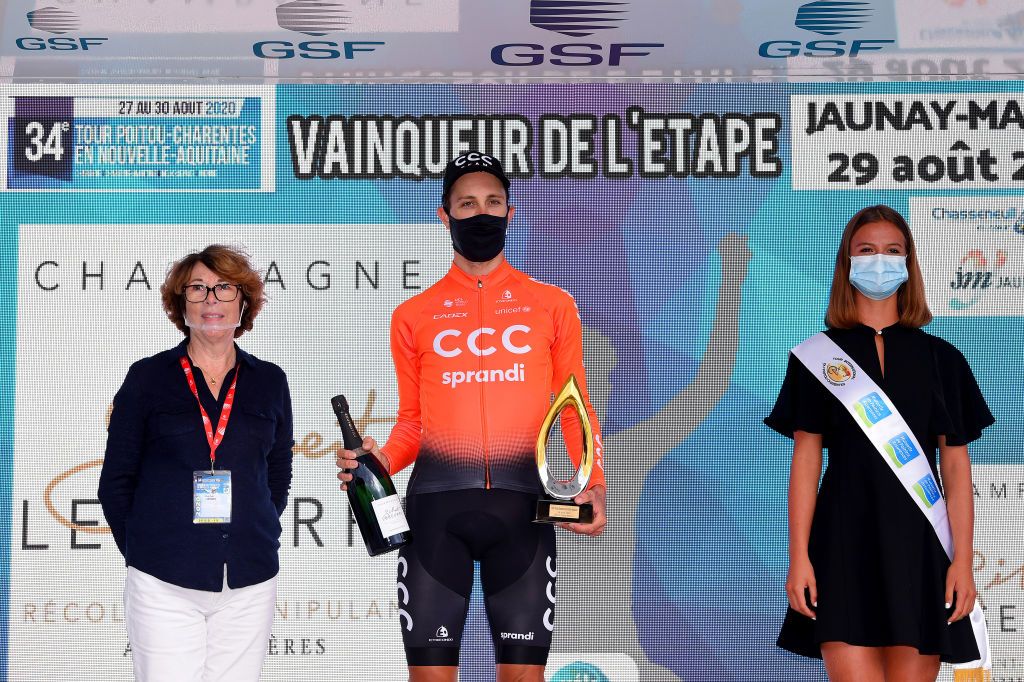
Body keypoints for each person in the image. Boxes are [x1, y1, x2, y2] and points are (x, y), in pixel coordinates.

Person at [336, 151, 607, 682]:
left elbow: (573, 411)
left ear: (511, 211)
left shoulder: (552, 305)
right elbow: (413, 422)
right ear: (445, 215)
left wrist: (592, 483)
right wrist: (377, 461)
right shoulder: (413, 315)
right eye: (467, 204)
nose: (480, 213)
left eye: (492, 202)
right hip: (437, 511)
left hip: (526, 510)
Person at [764, 205, 993, 682]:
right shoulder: (815, 358)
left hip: (921, 546)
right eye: (866, 251)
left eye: (892, 252)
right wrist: (799, 557)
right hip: (842, 542)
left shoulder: (943, 360)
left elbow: (956, 470)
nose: (879, 261)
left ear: (909, 266)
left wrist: (964, 563)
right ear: (847, 264)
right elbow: (805, 462)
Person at [98, 244, 294, 682]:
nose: (211, 300)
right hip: (162, 579)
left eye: (224, 288)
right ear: (179, 303)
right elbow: (115, 482)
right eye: (198, 289)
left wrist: (253, 527)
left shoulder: (270, 381)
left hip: (250, 578)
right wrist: (144, 550)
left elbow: (278, 473)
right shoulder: (147, 378)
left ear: (243, 302)